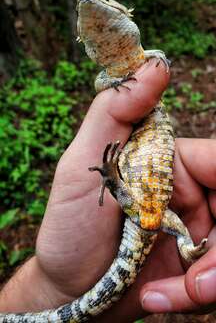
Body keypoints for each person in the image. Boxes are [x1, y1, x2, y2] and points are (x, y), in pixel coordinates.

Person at [0, 60, 215, 322]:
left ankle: (184, 245)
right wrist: (51, 287)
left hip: (152, 212)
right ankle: (180, 240)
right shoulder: (133, 95)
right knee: (148, 217)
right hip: (147, 211)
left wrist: (48, 287)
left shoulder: (142, 95)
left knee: (159, 222)